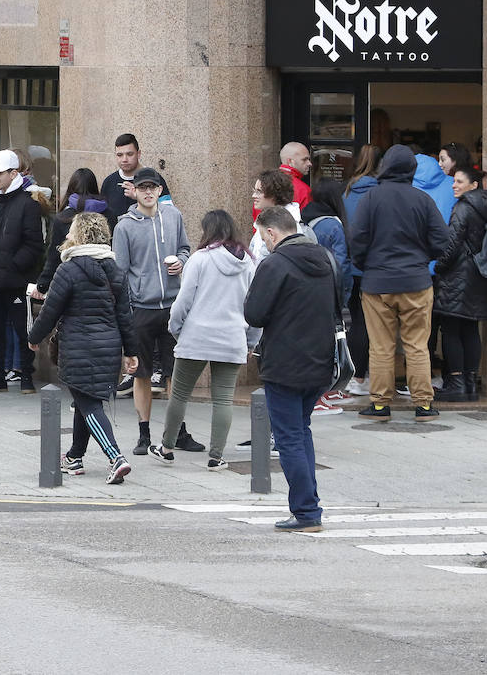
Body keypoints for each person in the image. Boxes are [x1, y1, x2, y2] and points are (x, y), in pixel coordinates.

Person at [245, 206, 340, 532]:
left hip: (284, 364)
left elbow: (254, 314)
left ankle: (306, 512)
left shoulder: (275, 264)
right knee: (302, 432)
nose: (263, 242)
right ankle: (309, 505)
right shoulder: (325, 259)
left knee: (288, 438)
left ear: (272, 232)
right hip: (320, 361)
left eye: (262, 235)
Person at [27, 212, 136, 484]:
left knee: (88, 403)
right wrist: (131, 352)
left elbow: (51, 310)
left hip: (78, 346)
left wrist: (34, 336)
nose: (66, 236)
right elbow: (125, 315)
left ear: (78, 235)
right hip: (109, 346)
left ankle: (116, 458)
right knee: (85, 401)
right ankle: (75, 456)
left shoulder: (69, 269)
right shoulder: (115, 270)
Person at [348, 144, 451, 421]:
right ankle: (424, 405)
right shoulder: (422, 200)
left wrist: (366, 265)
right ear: (411, 170)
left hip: (377, 283)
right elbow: (442, 242)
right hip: (416, 281)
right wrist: (421, 259)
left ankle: (380, 405)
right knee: (417, 344)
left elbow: (356, 240)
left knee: (381, 347)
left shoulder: (371, 199)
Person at [150, 210, 256, 470]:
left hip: (196, 335)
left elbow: (183, 301)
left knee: (180, 395)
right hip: (232, 337)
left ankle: (166, 448)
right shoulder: (249, 264)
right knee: (223, 399)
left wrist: (176, 330)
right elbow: (254, 307)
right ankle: (216, 456)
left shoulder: (200, 259)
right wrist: (251, 341)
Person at [112, 166, 196, 455]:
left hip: (173, 305)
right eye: (143, 187)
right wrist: (125, 309)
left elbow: (185, 248)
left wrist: (182, 261)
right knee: (142, 373)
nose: (148, 192)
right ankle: (143, 434)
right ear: (134, 190)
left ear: (160, 191)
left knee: (176, 374)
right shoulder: (124, 225)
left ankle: (178, 431)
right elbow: (119, 273)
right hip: (142, 308)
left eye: (153, 187)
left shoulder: (174, 216)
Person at [0, 149, 44, 393]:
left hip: (16, 281)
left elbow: (34, 244)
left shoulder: (28, 204)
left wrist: (14, 266)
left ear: (13, 173)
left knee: (22, 329)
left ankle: (26, 375)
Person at [434, 166, 487, 402]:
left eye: (459, 181)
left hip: (457, 275)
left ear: (474, 185)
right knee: (470, 329)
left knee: (451, 330)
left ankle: (457, 384)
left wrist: (438, 266)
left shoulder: (463, 208)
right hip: (478, 274)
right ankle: (470, 384)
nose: (454, 185)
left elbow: (452, 245)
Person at [303, 177, 354, 413]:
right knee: (331, 339)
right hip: (330, 289)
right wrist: (344, 293)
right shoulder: (334, 225)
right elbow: (341, 263)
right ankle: (322, 392)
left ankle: (324, 389)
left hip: (309, 288)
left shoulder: (306, 219)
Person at [31, 167, 110, 300]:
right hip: (103, 281)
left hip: (71, 282)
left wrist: (42, 284)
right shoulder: (108, 215)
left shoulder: (63, 218)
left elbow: (54, 256)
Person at [341, 145, 382, 396]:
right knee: (374, 322)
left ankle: (356, 376)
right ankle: (371, 377)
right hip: (374, 265)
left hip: (352, 263)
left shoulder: (347, 190)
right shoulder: (379, 192)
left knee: (356, 320)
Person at [101, 133, 170, 220]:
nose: (124, 159)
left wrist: (140, 197)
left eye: (129, 154)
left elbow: (169, 213)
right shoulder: (109, 182)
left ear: (139, 154)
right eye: (120, 155)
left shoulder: (155, 179)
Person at [249, 169, 304, 262]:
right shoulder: (265, 221)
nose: (254, 195)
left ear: (274, 194)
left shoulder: (290, 226)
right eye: (254, 191)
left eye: (259, 191)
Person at [253, 142, 312, 220]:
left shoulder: (265, 183)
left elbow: (257, 216)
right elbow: (306, 219)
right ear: (290, 161)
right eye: (304, 160)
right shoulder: (303, 189)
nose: (309, 163)